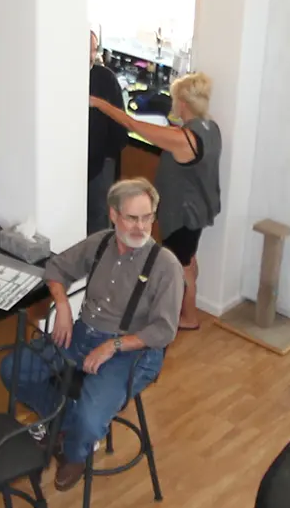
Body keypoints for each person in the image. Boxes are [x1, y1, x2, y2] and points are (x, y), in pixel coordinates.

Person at [4, 178, 183, 492]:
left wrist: (113, 345)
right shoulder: (100, 242)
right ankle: (63, 425)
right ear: (113, 215)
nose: (141, 227)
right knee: (14, 369)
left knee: (91, 418)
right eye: (132, 218)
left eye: (147, 218)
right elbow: (57, 267)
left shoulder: (165, 265)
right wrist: (61, 305)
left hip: (133, 351)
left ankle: (74, 451)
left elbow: (163, 329)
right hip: (82, 333)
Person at [91, 70, 220, 332]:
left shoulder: (183, 139)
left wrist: (99, 103)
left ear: (182, 103)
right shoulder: (210, 127)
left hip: (184, 214)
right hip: (201, 209)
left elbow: (132, 124)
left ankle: (189, 317)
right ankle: (186, 310)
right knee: (189, 260)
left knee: (180, 266)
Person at [87, 34, 128, 224]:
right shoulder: (60, 77)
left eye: (94, 49)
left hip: (100, 163)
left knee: (99, 215)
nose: (91, 55)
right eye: (86, 49)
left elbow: (120, 122)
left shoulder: (105, 78)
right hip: (67, 163)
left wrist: (109, 157)